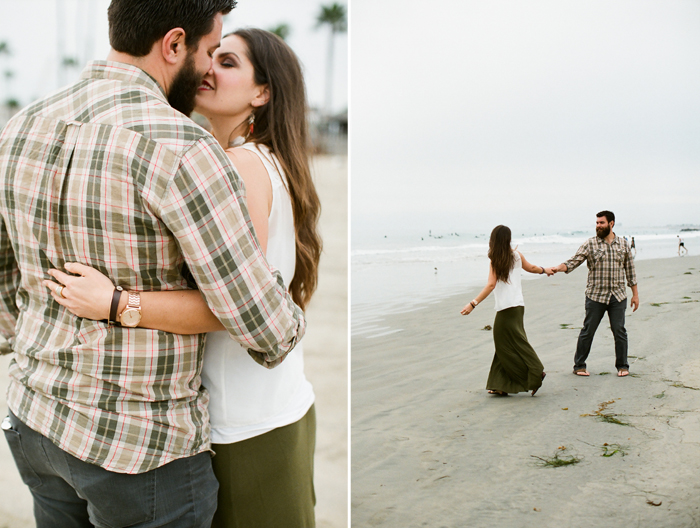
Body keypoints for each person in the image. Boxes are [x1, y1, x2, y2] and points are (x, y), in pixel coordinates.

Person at [0, 2, 307, 527]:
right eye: (211, 51)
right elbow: (269, 329)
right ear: (173, 44)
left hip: (33, 418)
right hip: (137, 447)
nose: (209, 67)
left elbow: (7, 278)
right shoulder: (182, 148)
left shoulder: (21, 125)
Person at [461, 225, 550, 396]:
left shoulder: (496, 260)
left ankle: (536, 372)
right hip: (517, 306)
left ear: (493, 240)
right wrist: (544, 270)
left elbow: (491, 285)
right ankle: (500, 385)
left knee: (513, 343)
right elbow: (531, 268)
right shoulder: (516, 256)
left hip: (506, 309)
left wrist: (473, 304)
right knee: (506, 344)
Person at [552, 211, 638, 377]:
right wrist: (558, 268)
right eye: (597, 223)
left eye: (601, 223)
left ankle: (623, 366)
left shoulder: (623, 244)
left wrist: (635, 294)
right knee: (588, 330)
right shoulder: (590, 244)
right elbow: (573, 261)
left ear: (611, 223)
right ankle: (579, 366)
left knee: (619, 330)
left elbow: (630, 271)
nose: (598, 226)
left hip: (618, 295)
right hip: (595, 296)